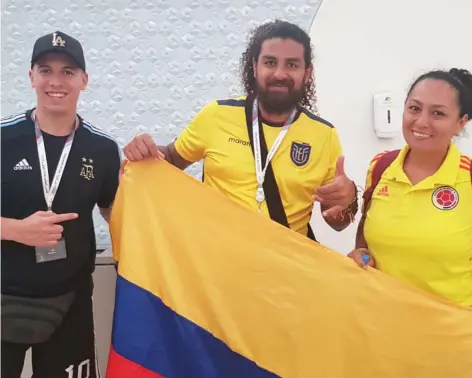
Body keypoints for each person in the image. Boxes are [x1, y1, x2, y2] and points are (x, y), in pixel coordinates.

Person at [123, 20, 358, 239]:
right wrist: (146, 151)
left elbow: (337, 222)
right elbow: (172, 158)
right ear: (255, 67)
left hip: (284, 274)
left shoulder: (324, 135)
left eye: (292, 65)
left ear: (306, 73)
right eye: (270, 62)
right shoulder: (216, 115)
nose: (279, 73)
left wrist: (347, 199)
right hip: (218, 268)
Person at [1, 31, 121, 377]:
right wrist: (17, 230)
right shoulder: (3, 138)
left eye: (68, 71)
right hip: (5, 295)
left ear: (84, 80)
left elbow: (113, 212)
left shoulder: (102, 148)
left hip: (71, 299)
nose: (56, 81)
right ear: (31, 77)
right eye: (46, 70)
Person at [349, 68, 472, 307]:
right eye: (414, 108)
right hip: (379, 323)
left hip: (450, 332)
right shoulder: (380, 165)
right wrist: (361, 254)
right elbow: (366, 234)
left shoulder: (468, 178)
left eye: (438, 113)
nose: (422, 122)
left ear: (460, 123)